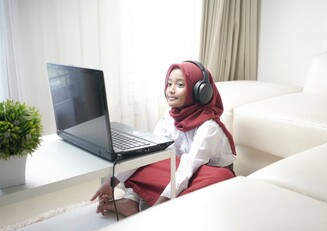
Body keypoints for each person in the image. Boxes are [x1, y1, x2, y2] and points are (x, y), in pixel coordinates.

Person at [90, 61, 237, 217]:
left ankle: (164, 205)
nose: (171, 90)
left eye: (180, 85)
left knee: (222, 178)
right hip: (180, 168)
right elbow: (148, 154)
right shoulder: (169, 118)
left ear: (199, 92)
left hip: (204, 175)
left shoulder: (209, 128)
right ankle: (130, 202)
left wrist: (157, 210)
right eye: (169, 84)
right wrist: (111, 183)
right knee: (144, 160)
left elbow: (187, 169)